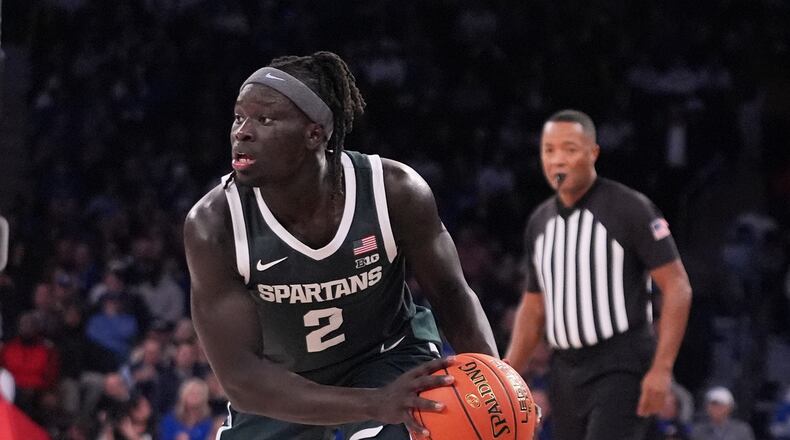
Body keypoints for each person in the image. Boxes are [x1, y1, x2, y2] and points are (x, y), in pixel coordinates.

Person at [183, 51, 498, 440]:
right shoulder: (213, 226)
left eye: (264, 120)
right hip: (284, 385)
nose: (241, 132)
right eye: (238, 117)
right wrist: (372, 403)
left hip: (389, 357)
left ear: (314, 134)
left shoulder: (394, 191)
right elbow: (241, 380)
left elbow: (453, 297)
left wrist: (499, 384)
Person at [505, 109, 693, 439]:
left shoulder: (630, 207)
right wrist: (506, 376)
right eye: (549, 150)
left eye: (570, 149)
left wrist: (663, 368)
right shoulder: (539, 222)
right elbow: (534, 309)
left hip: (622, 362)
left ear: (593, 153)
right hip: (564, 369)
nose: (558, 159)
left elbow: (677, 286)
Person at [690, 386, 755, 440]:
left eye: (720, 406)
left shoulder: (742, 430)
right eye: (713, 405)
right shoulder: (697, 431)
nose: (716, 409)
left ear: (729, 408)